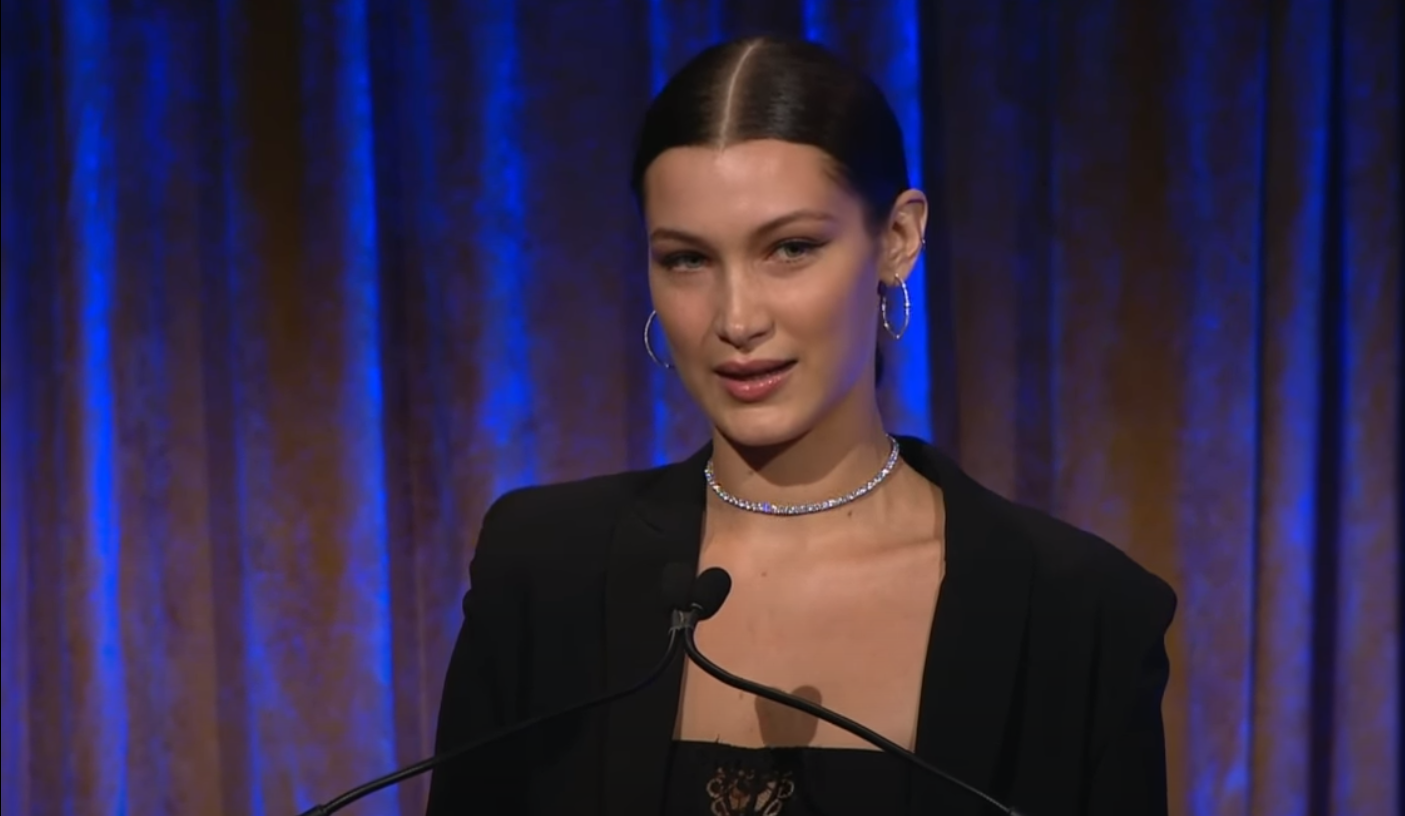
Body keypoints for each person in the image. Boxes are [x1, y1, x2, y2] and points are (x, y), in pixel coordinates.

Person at [425, 35, 1176, 816]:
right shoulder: (542, 573)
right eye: (686, 259)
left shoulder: (1079, 614)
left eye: (790, 248)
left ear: (896, 239)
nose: (735, 318)